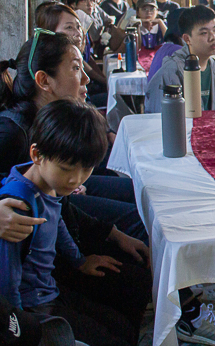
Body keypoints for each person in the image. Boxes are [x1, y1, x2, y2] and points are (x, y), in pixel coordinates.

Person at [0, 99, 136, 346]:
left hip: (51, 289)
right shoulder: (18, 205)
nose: (76, 180)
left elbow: (58, 221)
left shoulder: (49, 184)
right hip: (33, 307)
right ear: (36, 154)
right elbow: (8, 275)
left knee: (122, 327)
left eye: (87, 169)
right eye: (66, 169)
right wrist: (20, 327)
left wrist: (80, 261)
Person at [0, 28, 147, 244]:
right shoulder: (11, 132)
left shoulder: (57, 117)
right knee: (139, 219)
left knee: (141, 190)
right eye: (76, 68)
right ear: (44, 80)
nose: (86, 79)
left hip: (61, 205)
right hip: (41, 243)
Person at [146, 6, 215, 113]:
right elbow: (160, 117)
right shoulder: (171, 71)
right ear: (187, 39)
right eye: (204, 33)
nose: (213, 37)